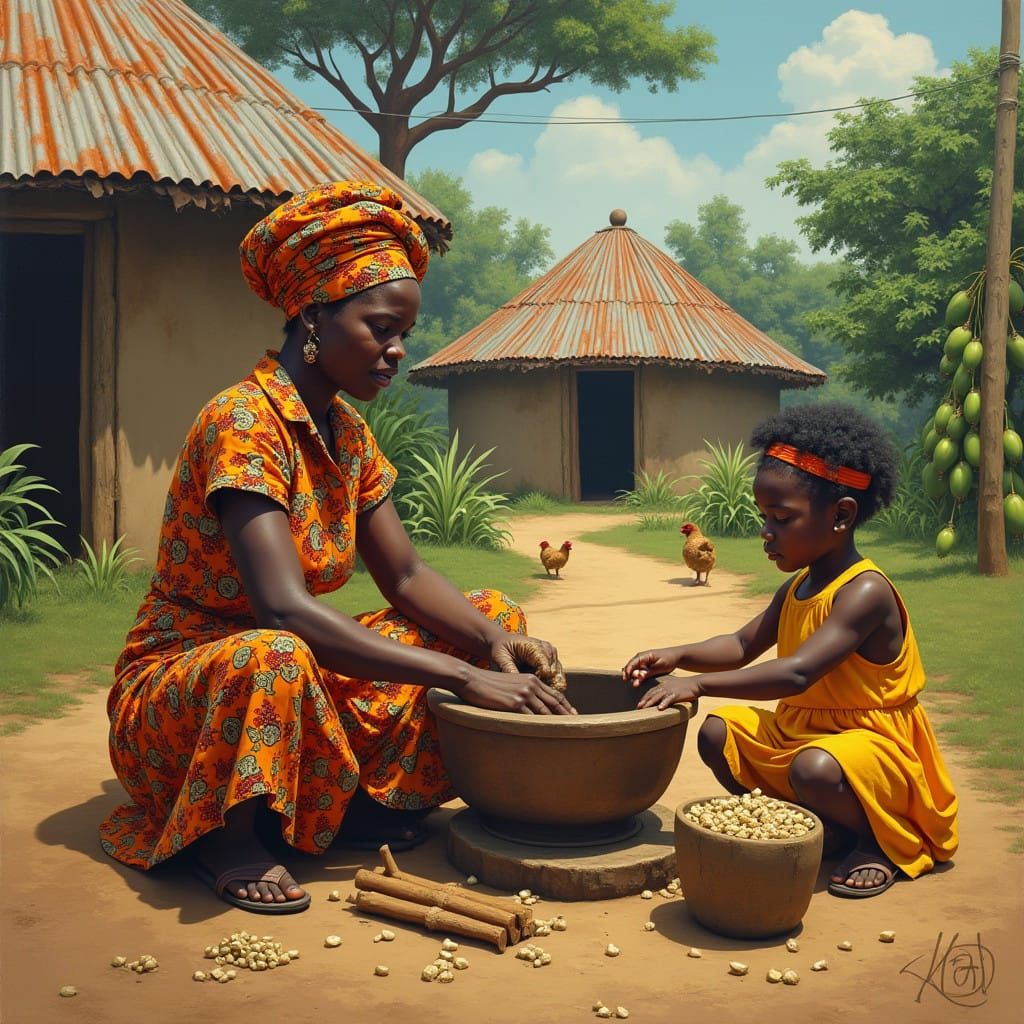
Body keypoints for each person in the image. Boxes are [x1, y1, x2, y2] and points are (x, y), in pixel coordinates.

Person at [100, 181, 574, 915]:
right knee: (274, 653)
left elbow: (408, 575)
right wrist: (462, 675)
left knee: (490, 611)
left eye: (403, 334)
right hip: (192, 693)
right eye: (380, 328)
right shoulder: (244, 420)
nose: (396, 351)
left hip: (296, 674)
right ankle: (229, 839)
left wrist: (492, 644)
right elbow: (283, 611)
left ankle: (344, 806)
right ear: (315, 315)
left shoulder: (347, 433)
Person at [621, 403, 958, 898]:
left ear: (841, 515)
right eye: (764, 517)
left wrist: (696, 684)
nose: (766, 532)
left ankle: (880, 841)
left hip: (873, 745)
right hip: (804, 731)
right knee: (719, 734)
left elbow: (797, 673)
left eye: (782, 518)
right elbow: (740, 645)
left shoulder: (863, 591)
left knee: (813, 767)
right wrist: (677, 654)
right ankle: (827, 826)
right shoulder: (798, 586)